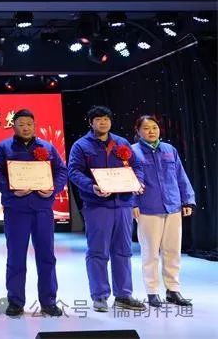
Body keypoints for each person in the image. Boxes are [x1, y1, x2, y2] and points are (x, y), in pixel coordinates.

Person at [0, 109, 67, 317]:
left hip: (42, 208)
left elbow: (61, 170)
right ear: (14, 126)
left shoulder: (47, 147)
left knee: (46, 256)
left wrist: (53, 188)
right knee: (16, 256)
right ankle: (15, 301)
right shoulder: (4, 147)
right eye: (21, 124)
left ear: (34, 125)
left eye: (29, 124)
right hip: (16, 209)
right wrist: (10, 189)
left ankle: (49, 301)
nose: (25, 128)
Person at [67, 105, 146, 313]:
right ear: (90, 122)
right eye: (98, 119)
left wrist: (138, 181)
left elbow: (137, 166)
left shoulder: (122, 142)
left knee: (123, 251)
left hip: (123, 203)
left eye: (106, 119)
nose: (103, 123)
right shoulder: (81, 146)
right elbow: (73, 172)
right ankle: (100, 296)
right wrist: (91, 187)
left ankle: (123, 295)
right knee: (97, 251)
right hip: (97, 205)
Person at [131, 115, 195, 308]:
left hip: (173, 206)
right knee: (150, 252)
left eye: (154, 127)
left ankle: (173, 290)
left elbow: (180, 176)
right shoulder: (132, 152)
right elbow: (129, 180)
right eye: (146, 128)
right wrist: (133, 203)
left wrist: (187, 200)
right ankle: (152, 291)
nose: (151, 131)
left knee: (173, 251)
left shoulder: (169, 149)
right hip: (148, 208)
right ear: (138, 131)